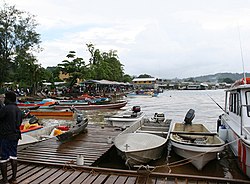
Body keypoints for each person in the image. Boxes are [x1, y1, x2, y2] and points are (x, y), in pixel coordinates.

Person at [0, 92, 22, 184]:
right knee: (13, 156)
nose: (3, 99)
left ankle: (4, 180)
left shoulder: (5, 109)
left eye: (4, 97)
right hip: (16, 136)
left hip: (5, 136)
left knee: (3, 157)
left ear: (8, 99)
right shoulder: (18, 109)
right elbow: (19, 123)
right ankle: (14, 178)